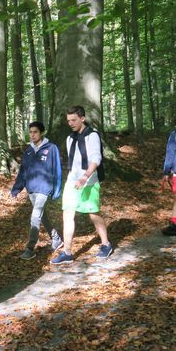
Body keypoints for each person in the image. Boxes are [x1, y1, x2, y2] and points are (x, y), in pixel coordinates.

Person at [51, 106, 112, 265]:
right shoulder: (70, 138)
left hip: (89, 181)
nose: (70, 123)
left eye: (74, 120)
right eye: (69, 120)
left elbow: (96, 159)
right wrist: (75, 177)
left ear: (82, 119)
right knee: (67, 214)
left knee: (93, 214)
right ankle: (67, 252)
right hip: (72, 181)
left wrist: (85, 176)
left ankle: (106, 244)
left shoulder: (92, 136)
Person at [11, 121, 63, 260]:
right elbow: (22, 172)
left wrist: (57, 189)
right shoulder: (28, 152)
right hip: (31, 190)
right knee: (41, 215)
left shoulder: (51, 148)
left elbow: (57, 169)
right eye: (31, 132)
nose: (32, 135)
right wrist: (16, 189)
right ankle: (56, 238)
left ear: (41, 133)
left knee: (35, 216)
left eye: (35, 132)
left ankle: (30, 248)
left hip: (45, 189)